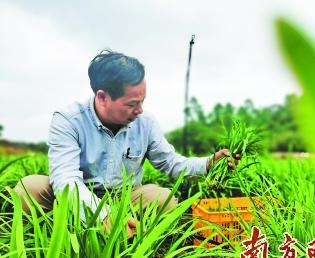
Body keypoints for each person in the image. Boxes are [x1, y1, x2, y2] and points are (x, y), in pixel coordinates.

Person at [14, 49, 239, 237]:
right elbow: (66, 181)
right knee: (29, 188)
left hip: (124, 196)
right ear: (102, 97)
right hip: (79, 192)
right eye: (132, 103)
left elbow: (171, 164)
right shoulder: (69, 121)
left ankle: (132, 232)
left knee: (165, 201)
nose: (140, 110)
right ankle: (60, 232)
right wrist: (103, 215)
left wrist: (210, 163)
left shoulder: (146, 122)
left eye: (143, 101)